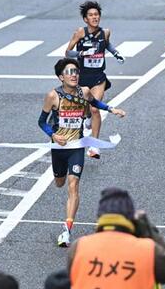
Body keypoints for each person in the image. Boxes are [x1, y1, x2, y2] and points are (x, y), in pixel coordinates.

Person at [39, 58, 126, 247]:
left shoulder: (84, 91)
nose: (74, 75)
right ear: (61, 77)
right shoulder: (53, 96)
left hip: (77, 146)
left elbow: (96, 104)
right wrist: (53, 135)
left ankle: (67, 230)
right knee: (60, 183)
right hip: (59, 148)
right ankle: (60, 179)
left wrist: (113, 109)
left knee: (73, 185)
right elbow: (42, 122)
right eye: (69, 72)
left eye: (76, 72)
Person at [68, 187, 165, 288]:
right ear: (131, 218)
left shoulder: (79, 247)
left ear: (100, 217)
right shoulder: (147, 249)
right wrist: (149, 230)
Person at [65, 1, 125, 159]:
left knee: (94, 108)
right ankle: (88, 119)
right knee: (86, 109)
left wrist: (116, 53)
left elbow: (108, 45)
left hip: (98, 77)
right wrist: (81, 54)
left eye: (96, 15)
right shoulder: (80, 33)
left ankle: (94, 146)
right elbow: (68, 52)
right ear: (85, 19)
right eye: (91, 15)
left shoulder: (105, 32)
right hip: (82, 76)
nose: (94, 17)